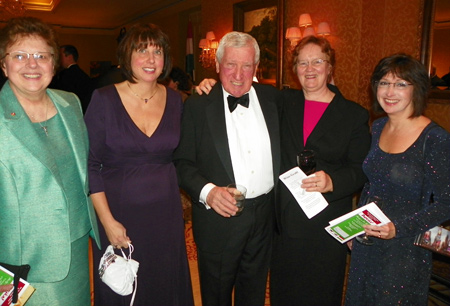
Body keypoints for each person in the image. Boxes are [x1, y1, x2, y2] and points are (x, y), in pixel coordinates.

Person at [85, 22, 194, 306]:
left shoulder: (176, 100)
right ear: (126, 57)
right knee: (122, 286)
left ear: (165, 60)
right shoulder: (104, 99)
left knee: (163, 281)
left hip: (165, 214)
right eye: (141, 51)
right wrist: (107, 223)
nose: (150, 59)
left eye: (157, 52)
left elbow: (189, 151)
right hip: (119, 213)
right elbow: (90, 165)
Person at [174, 31, 281, 306]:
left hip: (265, 217)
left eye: (247, 65)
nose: (238, 73)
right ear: (218, 65)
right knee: (216, 295)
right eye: (231, 64)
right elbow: (181, 162)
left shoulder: (275, 99)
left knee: (254, 292)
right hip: (218, 220)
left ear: (256, 68)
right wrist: (208, 192)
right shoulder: (198, 104)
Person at [0, 17, 100, 306]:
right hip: (20, 262)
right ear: (4, 65)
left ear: (53, 64)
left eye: (41, 56)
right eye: (19, 55)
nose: (32, 64)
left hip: (77, 247)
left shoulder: (70, 104)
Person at [269, 36, 371, 306]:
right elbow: (243, 92)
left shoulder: (353, 115)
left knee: (321, 292)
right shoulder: (282, 102)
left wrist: (332, 181)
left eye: (317, 61)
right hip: (285, 221)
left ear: (330, 67)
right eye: (303, 62)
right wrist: (211, 84)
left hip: (325, 222)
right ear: (295, 68)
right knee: (284, 292)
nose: (310, 68)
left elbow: (361, 169)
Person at [345, 54, 450, 305]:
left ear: (417, 89)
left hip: (404, 248)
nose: (390, 92)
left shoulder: (434, 139)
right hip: (368, 238)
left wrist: (397, 229)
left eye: (401, 84)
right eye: (383, 83)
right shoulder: (379, 127)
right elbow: (372, 184)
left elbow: (446, 203)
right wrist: (353, 226)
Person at [51, 44, 94, 113]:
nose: (58, 59)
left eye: (61, 56)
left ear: (69, 57)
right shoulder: (83, 74)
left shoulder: (65, 75)